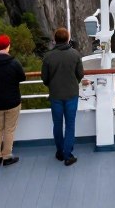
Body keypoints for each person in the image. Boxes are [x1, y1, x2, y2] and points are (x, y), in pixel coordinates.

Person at [40, 26, 84, 166]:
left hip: (56, 95)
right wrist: (73, 83)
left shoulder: (48, 56)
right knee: (70, 125)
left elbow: (44, 78)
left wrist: (52, 85)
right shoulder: (75, 54)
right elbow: (80, 74)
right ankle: (68, 155)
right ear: (68, 39)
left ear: (55, 39)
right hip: (71, 95)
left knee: (57, 125)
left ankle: (59, 152)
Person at [0, 34, 26, 167]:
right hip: (12, 102)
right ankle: (7, 157)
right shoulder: (14, 63)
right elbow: (22, 77)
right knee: (9, 130)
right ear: (8, 46)